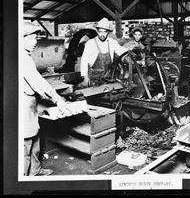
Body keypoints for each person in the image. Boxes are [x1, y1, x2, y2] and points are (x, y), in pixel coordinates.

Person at [22, 24, 71, 176]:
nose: (35, 42)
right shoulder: (22, 58)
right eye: (31, 38)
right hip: (24, 105)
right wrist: (57, 99)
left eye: (35, 38)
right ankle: (24, 180)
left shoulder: (26, 56)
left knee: (35, 139)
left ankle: (35, 171)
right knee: (25, 145)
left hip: (30, 105)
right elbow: (39, 83)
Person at [79, 17, 128, 88]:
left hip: (108, 77)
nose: (102, 34)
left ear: (108, 32)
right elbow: (84, 61)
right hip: (94, 78)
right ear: (97, 31)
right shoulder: (90, 43)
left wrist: (130, 52)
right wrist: (85, 77)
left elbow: (122, 51)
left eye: (104, 32)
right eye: (100, 31)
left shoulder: (112, 42)